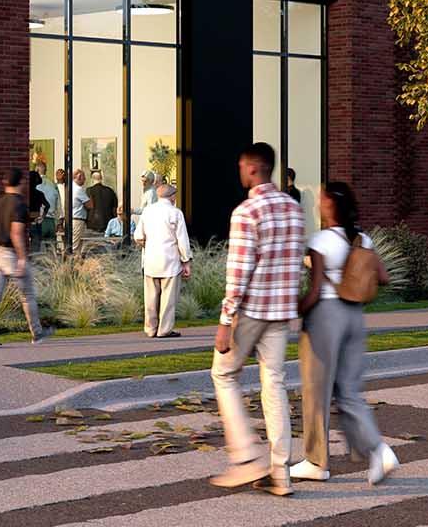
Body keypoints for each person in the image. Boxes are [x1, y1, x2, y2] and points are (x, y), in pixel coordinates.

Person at [291, 180, 399, 487]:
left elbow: (313, 294)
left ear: (328, 206)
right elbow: (384, 277)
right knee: (349, 392)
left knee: (316, 391)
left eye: (322, 199)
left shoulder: (320, 240)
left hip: (326, 316)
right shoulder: (363, 239)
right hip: (355, 316)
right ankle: (378, 450)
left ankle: (316, 462)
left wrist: (291, 311)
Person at [210, 142, 302, 495]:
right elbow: (295, 263)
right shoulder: (293, 209)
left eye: (241, 168)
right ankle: (281, 472)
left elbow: (239, 270)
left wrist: (224, 320)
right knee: (274, 385)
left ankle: (246, 457)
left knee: (223, 373)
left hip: (250, 311)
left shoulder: (247, 211)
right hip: (280, 311)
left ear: (251, 169)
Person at [0, 168, 50, 346]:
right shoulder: (18, 204)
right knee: (27, 294)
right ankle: (37, 333)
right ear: (21, 183)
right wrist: (22, 258)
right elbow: (17, 233)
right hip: (11, 254)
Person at [138, 178, 191, 337]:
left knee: (151, 297)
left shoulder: (148, 211)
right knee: (168, 298)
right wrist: (186, 260)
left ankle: (150, 328)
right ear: (172, 196)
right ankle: (164, 329)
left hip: (151, 260)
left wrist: (147, 245)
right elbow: (182, 239)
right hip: (170, 260)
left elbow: (138, 236)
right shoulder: (176, 213)